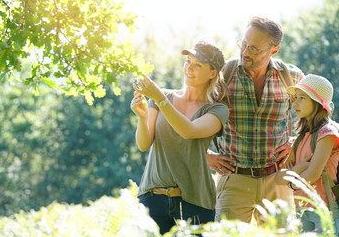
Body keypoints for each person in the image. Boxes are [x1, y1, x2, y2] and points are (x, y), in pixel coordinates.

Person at [207, 16, 305, 223]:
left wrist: (296, 142)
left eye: (254, 49)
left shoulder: (292, 78)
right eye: (243, 44)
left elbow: (318, 120)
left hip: (277, 179)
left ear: (274, 50)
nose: (245, 52)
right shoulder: (224, 75)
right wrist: (207, 156)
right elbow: (189, 111)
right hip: (233, 179)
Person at [131, 41, 230, 234]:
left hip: (194, 203)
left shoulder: (217, 109)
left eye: (197, 65)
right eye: (188, 61)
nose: (189, 68)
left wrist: (159, 98)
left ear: (212, 73)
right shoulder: (163, 97)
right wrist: (142, 118)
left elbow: (189, 131)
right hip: (152, 198)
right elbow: (143, 144)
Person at [275, 74, 339, 234]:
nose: (295, 102)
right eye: (295, 97)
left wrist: (291, 179)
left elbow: (313, 174)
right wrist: (301, 167)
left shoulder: (327, 133)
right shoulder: (302, 137)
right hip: (301, 209)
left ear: (317, 103)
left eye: (302, 98)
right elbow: (278, 177)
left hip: (325, 209)